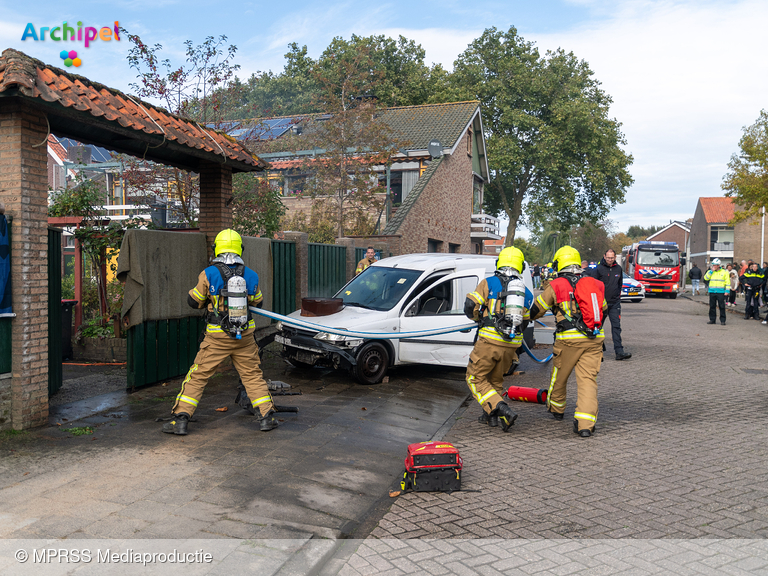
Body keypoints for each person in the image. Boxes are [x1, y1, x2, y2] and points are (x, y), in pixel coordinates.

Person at [162, 229, 277, 435]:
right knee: (252, 376)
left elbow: (195, 302)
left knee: (198, 376)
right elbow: (258, 301)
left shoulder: (209, 273)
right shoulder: (251, 275)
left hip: (217, 337)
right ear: (240, 249)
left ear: (217, 248)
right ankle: (267, 417)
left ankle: (180, 419)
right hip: (244, 336)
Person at [529, 245, 607, 437]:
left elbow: (537, 310)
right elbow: (604, 309)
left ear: (559, 264)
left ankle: (557, 410)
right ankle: (585, 425)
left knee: (559, 376)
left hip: (568, 340)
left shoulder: (556, 285)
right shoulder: (593, 282)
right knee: (588, 381)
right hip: (594, 338)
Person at [463, 246, 528, 432]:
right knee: (495, 380)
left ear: (499, 262)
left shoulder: (489, 282)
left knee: (474, 378)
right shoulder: (524, 291)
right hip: (511, 343)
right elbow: (527, 317)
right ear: (520, 266)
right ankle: (490, 417)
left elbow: (470, 305)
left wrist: (478, 318)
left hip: (490, 340)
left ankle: (501, 408)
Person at [585, 249, 631, 361]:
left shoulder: (618, 269)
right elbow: (593, 286)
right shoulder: (598, 269)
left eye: (612, 258)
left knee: (616, 327)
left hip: (615, 303)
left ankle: (619, 352)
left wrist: (617, 298)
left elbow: (619, 285)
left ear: (615, 257)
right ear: (604, 256)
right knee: (598, 327)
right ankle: (597, 351)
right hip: (601, 304)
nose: (610, 259)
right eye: (608, 257)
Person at [703, 259, 729, 325]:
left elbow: (728, 282)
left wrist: (727, 291)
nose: (714, 266)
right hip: (712, 291)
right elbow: (706, 278)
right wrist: (711, 271)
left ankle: (723, 320)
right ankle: (712, 319)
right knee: (712, 306)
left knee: (722, 306)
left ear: (718, 265)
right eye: (713, 265)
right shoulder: (710, 271)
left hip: (721, 292)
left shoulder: (724, 272)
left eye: (715, 265)